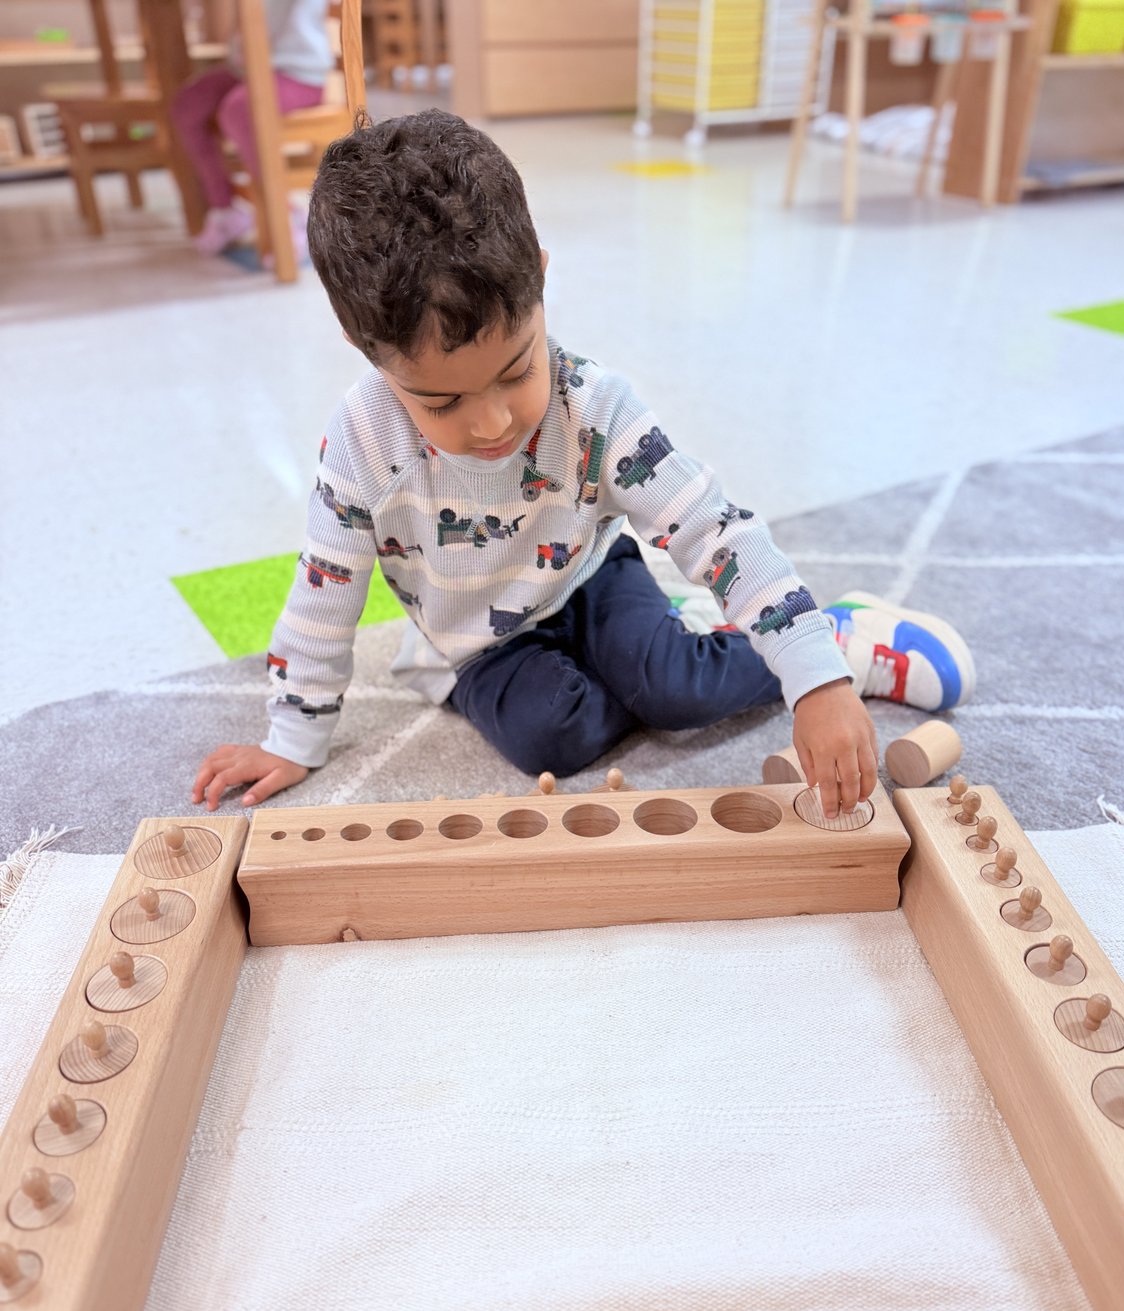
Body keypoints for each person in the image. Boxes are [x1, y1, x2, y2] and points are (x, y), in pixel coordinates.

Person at [192, 111, 974, 821]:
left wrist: (815, 677)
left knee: (674, 689)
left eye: (515, 372)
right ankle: (670, 646)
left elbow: (715, 528)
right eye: (442, 402)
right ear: (366, 348)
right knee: (552, 738)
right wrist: (293, 740)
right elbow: (322, 596)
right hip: (476, 640)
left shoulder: (595, 408)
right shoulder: (361, 445)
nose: (492, 423)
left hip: (588, 576)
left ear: (539, 274)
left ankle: (840, 637)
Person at [170, 0, 332, 257]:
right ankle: (224, 209)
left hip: (297, 70)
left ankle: (286, 215)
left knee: (240, 111)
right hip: (245, 69)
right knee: (188, 105)